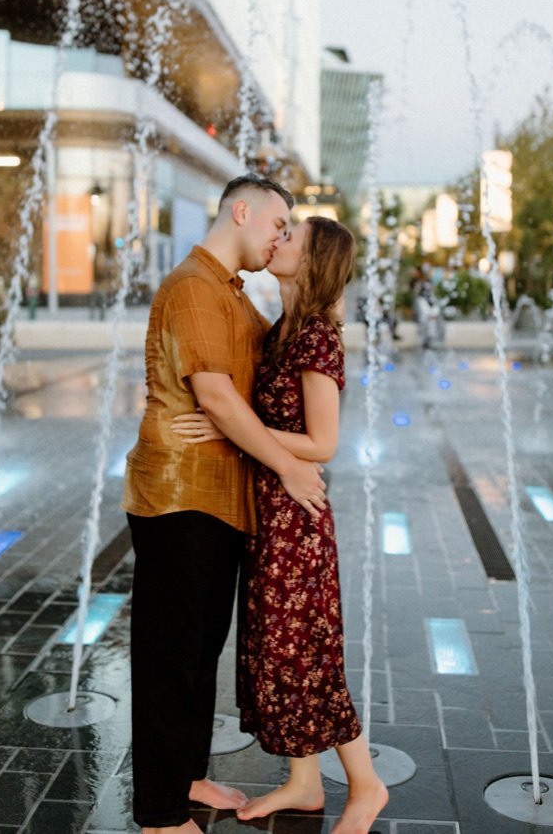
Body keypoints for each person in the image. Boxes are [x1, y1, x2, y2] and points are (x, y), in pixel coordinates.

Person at [123, 175, 328, 834]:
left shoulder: (232, 297)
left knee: (199, 653)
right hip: (179, 498)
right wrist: (290, 467)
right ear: (241, 211)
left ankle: (185, 778)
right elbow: (214, 396)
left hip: (218, 501)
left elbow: (278, 360)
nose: (280, 239)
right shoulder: (192, 288)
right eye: (277, 224)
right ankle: (159, 815)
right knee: (170, 658)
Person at [173, 216, 389, 831]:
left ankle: (366, 786)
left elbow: (324, 443)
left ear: (314, 261)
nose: (279, 239)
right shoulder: (282, 332)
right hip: (269, 514)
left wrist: (228, 427)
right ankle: (303, 783)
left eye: (291, 236)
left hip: (297, 523)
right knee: (279, 650)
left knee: (307, 654)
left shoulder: (318, 337)